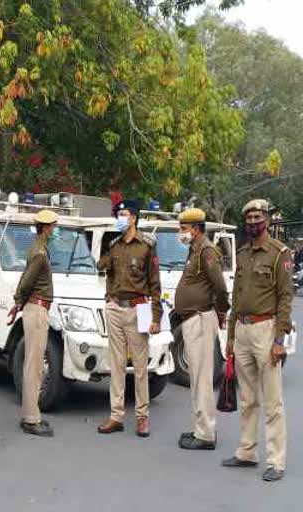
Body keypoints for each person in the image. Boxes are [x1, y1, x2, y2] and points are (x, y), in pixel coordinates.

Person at [222, 199, 292, 482]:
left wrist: (279, 341)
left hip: (266, 329)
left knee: (272, 400)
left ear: (268, 220)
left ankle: (276, 461)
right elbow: (236, 297)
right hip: (242, 329)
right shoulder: (243, 252)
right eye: (249, 217)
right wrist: (230, 335)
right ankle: (247, 452)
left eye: (257, 216)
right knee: (248, 397)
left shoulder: (279, 253)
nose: (252, 221)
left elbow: (285, 298)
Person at [97, 199, 161, 438]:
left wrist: (156, 316)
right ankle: (116, 416)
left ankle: (142, 417)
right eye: (119, 214)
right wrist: (108, 299)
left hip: (137, 309)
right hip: (115, 307)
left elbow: (155, 283)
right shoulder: (114, 244)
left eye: (123, 214)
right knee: (116, 365)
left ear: (133, 217)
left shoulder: (146, 245)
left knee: (141, 367)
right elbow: (102, 268)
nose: (120, 218)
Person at [174, 208, 229, 450]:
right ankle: (201, 428)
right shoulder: (194, 250)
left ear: (195, 229)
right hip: (191, 319)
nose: (181, 233)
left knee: (203, 379)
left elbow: (219, 286)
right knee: (196, 378)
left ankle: (206, 434)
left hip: (200, 318)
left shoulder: (207, 251)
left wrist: (221, 311)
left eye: (184, 228)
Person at [7, 209, 59, 437]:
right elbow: (27, 282)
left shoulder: (37, 248)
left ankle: (32, 414)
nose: (55, 230)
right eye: (53, 226)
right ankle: (30, 418)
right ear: (46, 228)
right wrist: (18, 301)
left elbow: (25, 279)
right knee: (34, 365)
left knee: (34, 363)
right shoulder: (39, 252)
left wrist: (18, 303)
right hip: (36, 309)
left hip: (35, 308)